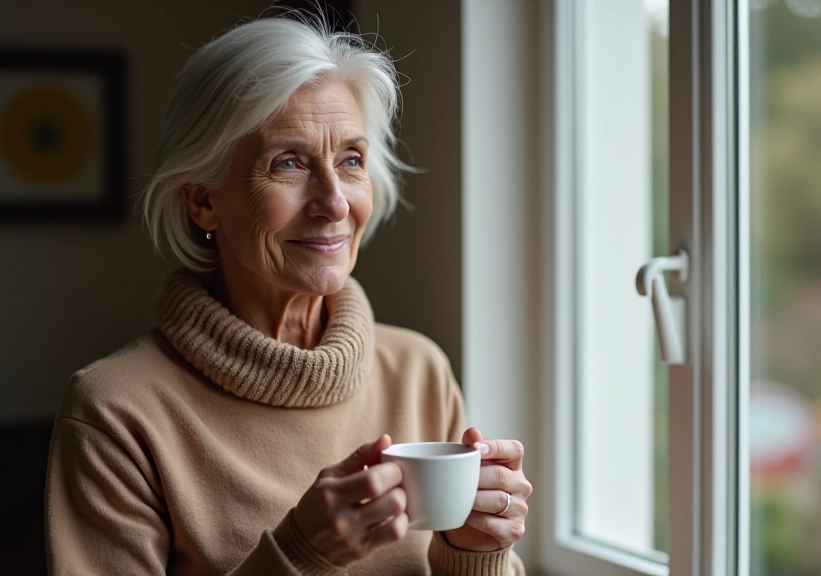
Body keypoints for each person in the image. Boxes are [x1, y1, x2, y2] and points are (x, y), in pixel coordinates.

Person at [45, 12, 531, 576]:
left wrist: (477, 553)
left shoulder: (418, 369)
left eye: (351, 160)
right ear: (202, 200)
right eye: (289, 163)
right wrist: (299, 555)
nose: (335, 203)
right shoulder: (114, 411)